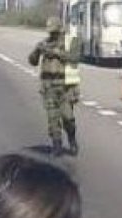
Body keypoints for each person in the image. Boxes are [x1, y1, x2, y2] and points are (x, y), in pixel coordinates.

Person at [28, 18, 79, 157]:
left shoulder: (69, 42)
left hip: (65, 87)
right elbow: (32, 61)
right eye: (51, 32)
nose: (52, 35)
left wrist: (56, 53)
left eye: (55, 32)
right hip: (49, 86)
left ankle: (72, 139)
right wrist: (37, 51)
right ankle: (57, 145)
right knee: (53, 118)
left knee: (68, 117)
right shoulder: (44, 43)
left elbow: (74, 58)